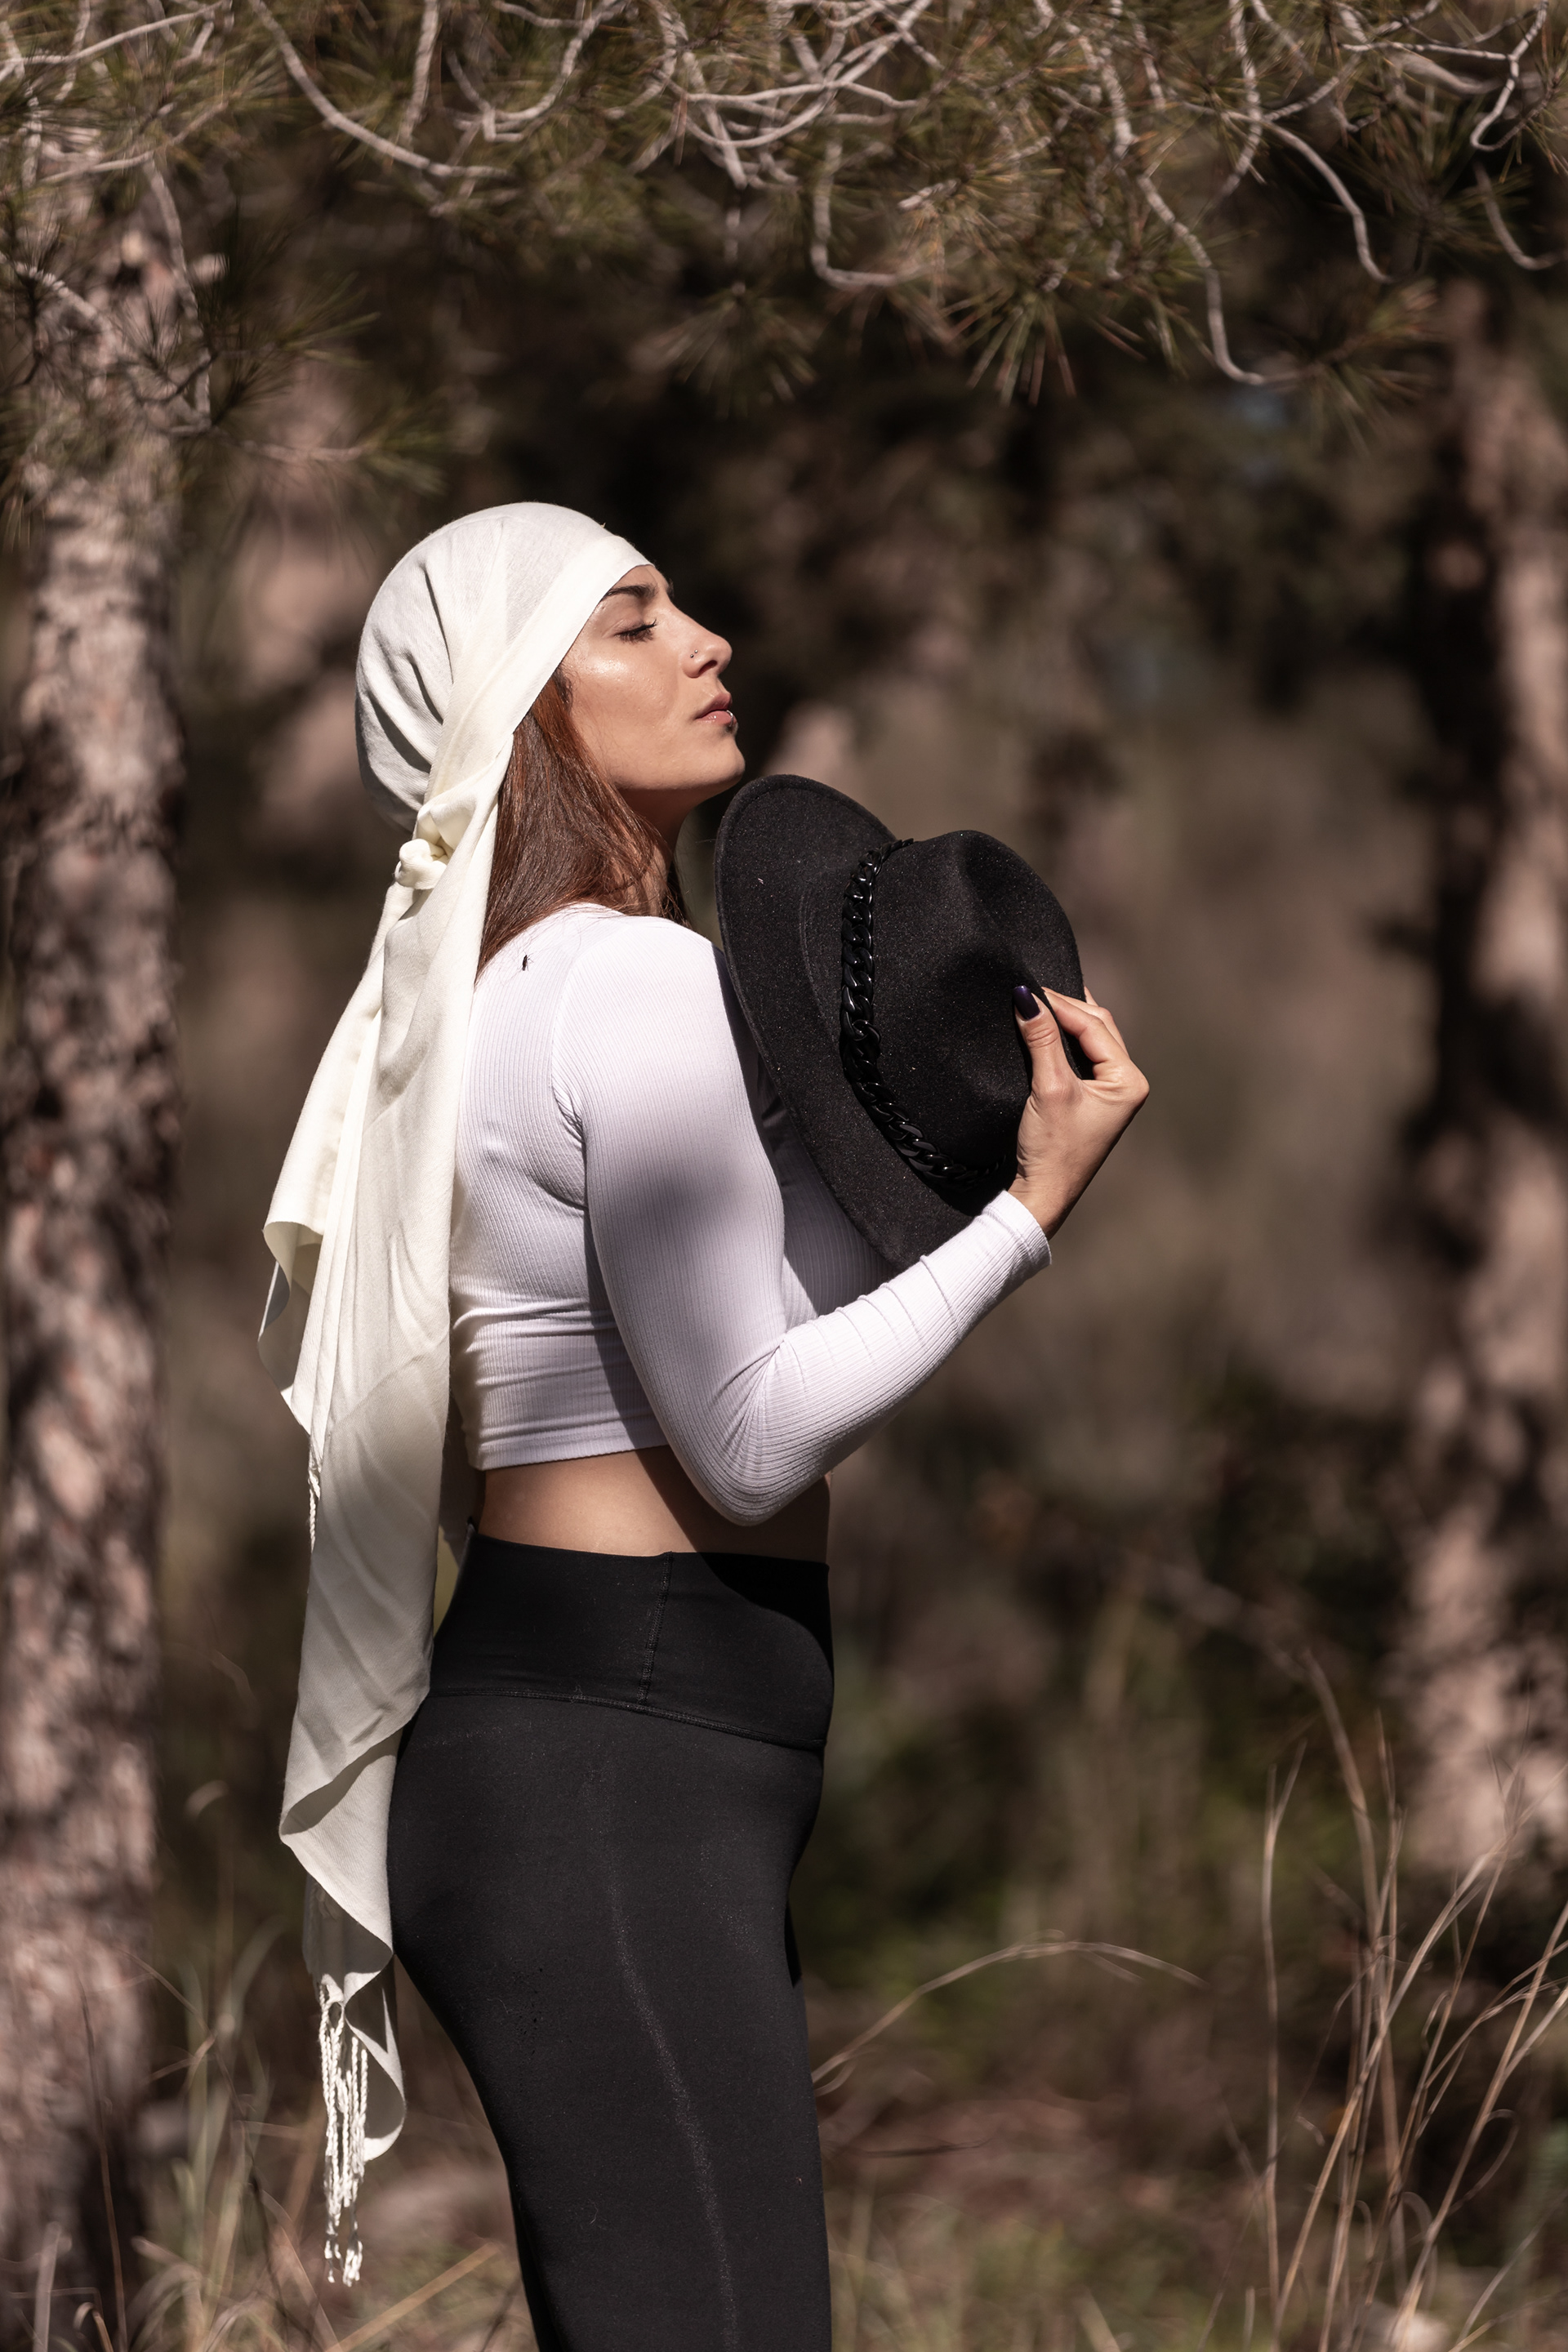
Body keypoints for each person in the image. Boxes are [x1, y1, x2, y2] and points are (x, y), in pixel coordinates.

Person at [261, 503, 1147, 2352]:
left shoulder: (508, 996)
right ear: (524, 708)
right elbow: (747, 1436)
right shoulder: (624, 978)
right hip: (622, 1759)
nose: (707, 641)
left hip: (605, 1750)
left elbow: (730, 1349)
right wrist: (1028, 1213)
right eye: (633, 622)